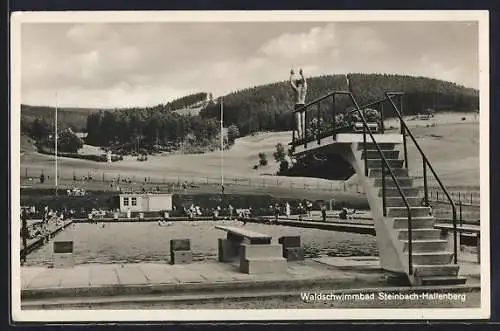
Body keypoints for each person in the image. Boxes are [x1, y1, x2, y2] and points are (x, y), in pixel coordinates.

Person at [290, 68, 308, 139]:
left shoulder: (296, 89)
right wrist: (302, 74)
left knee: (298, 124)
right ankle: (303, 135)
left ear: (297, 84)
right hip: (303, 104)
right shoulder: (304, 89)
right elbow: (305, 81)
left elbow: (291, 82)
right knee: (303, 123)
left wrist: (291, 74)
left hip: (297, 105)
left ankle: (300, 136)